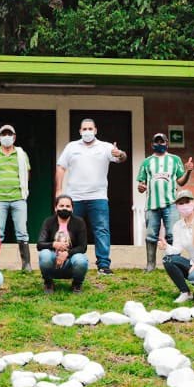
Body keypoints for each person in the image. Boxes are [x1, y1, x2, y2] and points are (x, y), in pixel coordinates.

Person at [55, 118, 126, 275]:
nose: (87, 131)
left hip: (98, 197)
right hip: (74, 197)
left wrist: (120, 154)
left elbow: (121, 158)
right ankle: (68, 261)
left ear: (95, 130)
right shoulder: (71, 147)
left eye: (90, 129)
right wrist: (59, 190)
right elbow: (60, 167)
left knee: (101, 230)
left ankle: (103, 265)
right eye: (84, 129)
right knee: (71, 230)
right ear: (80, 131)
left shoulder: (105, 147)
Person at [137, 132, 193, 272]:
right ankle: (151, 265)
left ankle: (174, 262)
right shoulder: (146, 162)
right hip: (152, 204)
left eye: (162, 142)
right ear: (152, 144)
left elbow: (181, 181)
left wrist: (188, 171)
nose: (159, 144)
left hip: (171, 204)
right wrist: (141, 187)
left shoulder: (175, 160)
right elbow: (141, 185)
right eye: (157, 142)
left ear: (167, 143)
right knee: (151, 235)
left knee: (173, 234)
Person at [0, 123, 32, 271]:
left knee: (22, 231)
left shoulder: (21, 155)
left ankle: (26, 264)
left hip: (18, 198)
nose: (7, 137)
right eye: (3, 134)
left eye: (9, 134)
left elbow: (27, 175)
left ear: (14, 137)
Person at [36, 194, 89, 294]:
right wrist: (53, 244)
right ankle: (48, 283)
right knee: (44, 255)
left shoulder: (79, 222)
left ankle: (77, 284)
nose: (64, 208)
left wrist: (67, 253)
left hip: (71, 261)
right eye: (61, 206)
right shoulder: (49, 221)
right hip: (53, 260)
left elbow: (83, 247)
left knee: (81, 260)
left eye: (68, 206)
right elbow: (40, 244)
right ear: (56, 208)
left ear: (72, 209)